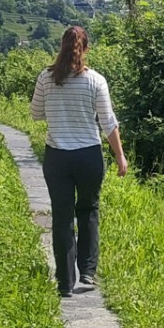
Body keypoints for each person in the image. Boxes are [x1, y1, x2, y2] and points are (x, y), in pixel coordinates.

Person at [29, 26, 127, 297]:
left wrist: (57, 109)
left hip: (57, 157)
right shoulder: (96, 81)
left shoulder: (46, 78)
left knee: (61, 217)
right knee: (88, 211)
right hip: (88, 156)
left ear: (61, 46)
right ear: (86, 49)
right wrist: (120, 156)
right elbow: (108, 123)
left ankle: (64, 283)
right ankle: (87, 272)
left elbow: (36, 114)